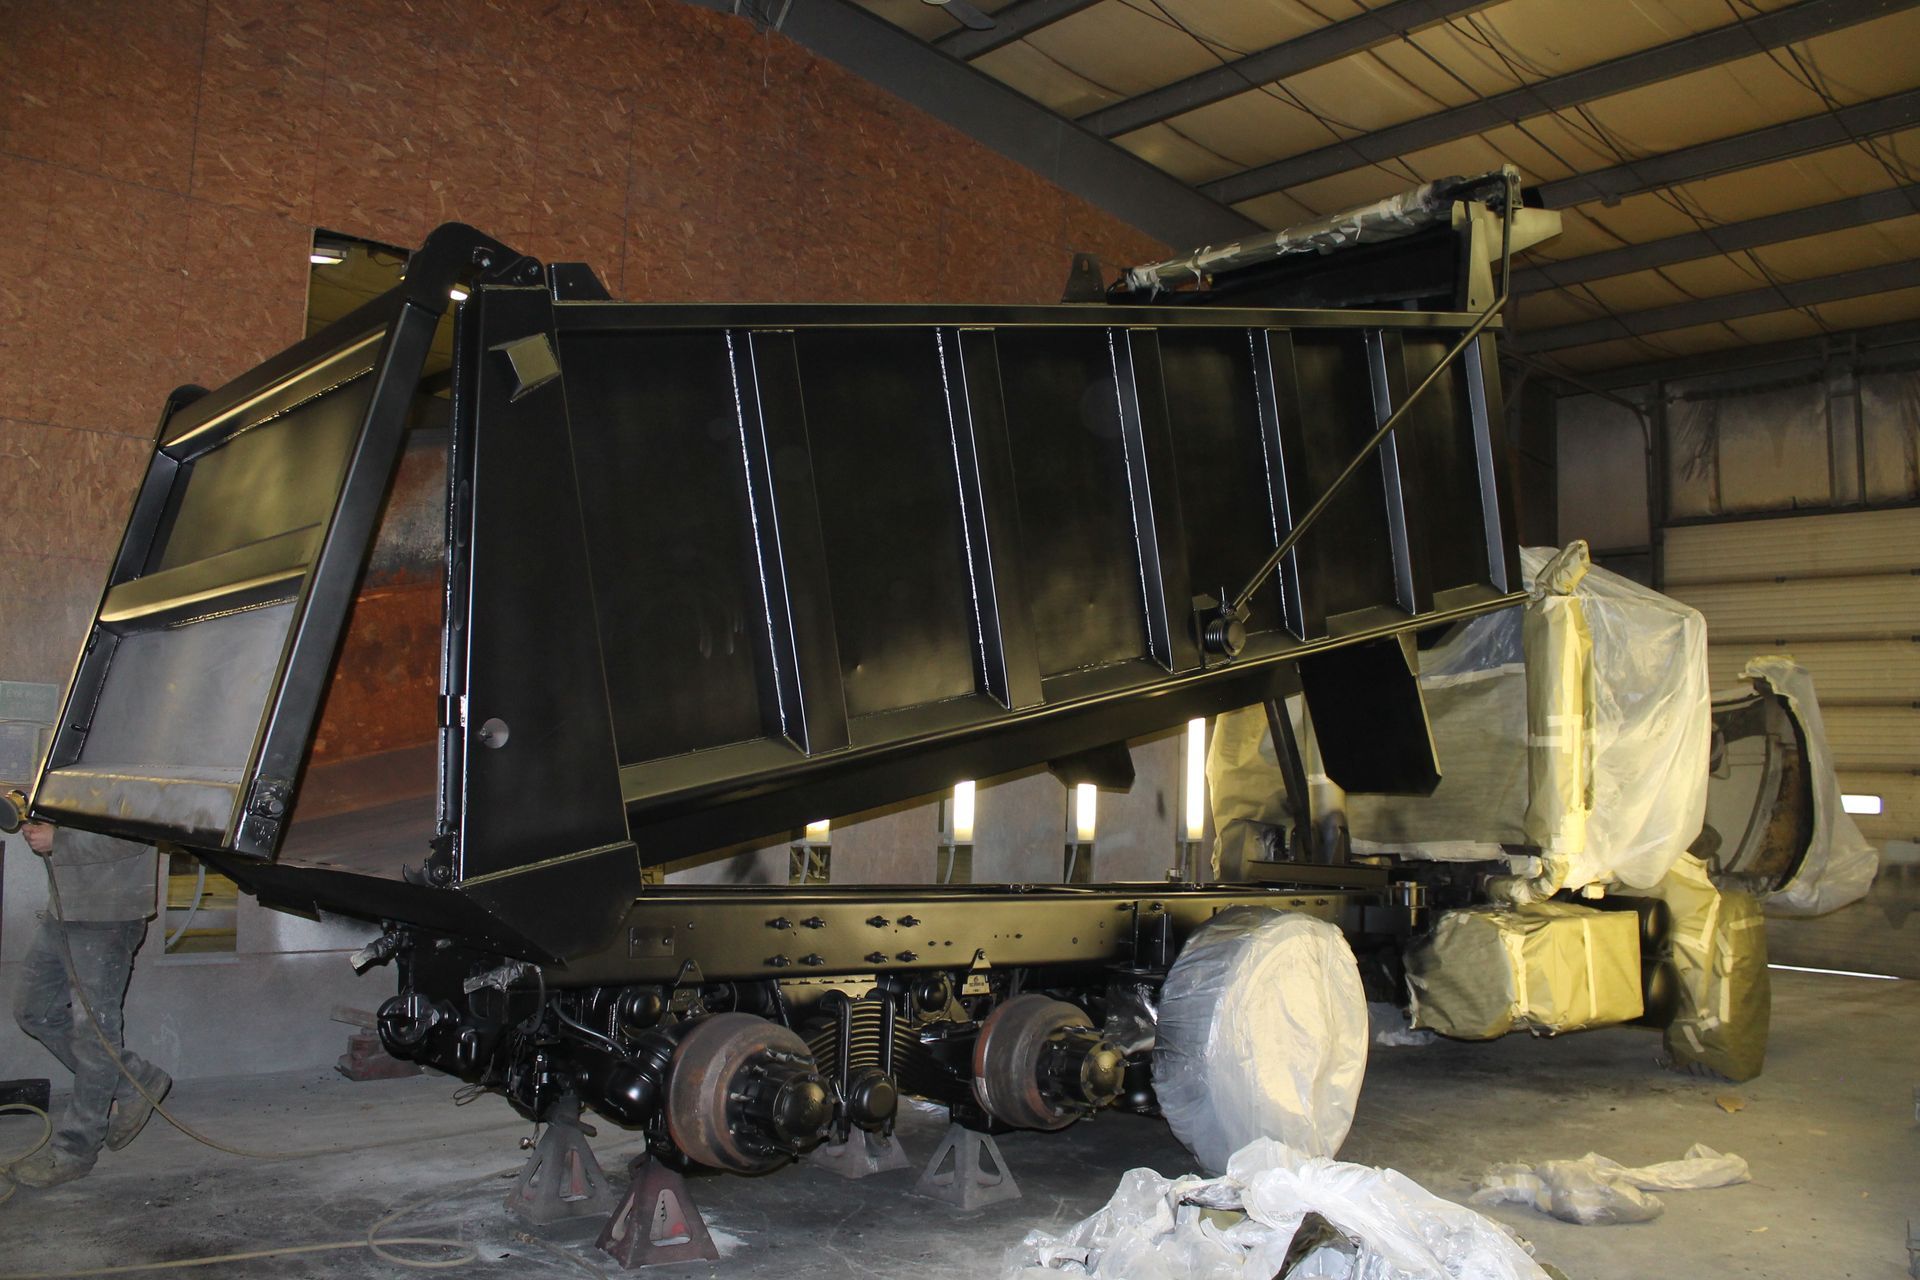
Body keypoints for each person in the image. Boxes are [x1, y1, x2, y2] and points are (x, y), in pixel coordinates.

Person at [10, 819, 173, 1186]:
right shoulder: (70, 761)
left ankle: (74, 1151)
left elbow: (139, 830)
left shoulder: (135, 764)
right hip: (64, 910)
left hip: (108, 917)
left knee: (95, 1037)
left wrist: (61, 839)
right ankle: (135, 1081)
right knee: (34, 1011)